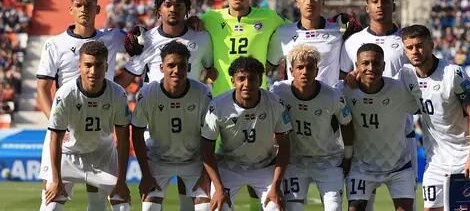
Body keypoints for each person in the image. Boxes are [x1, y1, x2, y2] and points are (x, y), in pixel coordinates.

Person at [36, 0, 126, 210]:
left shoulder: (114, 37)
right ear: (71, 10)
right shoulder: (55, 44)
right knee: (51, 203)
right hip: (67, 132)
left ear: (98, 9)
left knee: (97, 204)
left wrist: (194, 25)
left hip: (99, 134)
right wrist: (56, 123)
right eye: (78, 5)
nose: (84, 9)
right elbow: (42, 89)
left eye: (89, 5)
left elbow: (150, 41)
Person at [339, 0, 416, 211]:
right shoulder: (353, 41)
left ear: (394, 5)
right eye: (375, 1)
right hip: (364, 134)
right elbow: (344, 77)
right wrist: (351, 76)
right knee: (362, 203)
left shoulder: (407, 41)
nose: (380, 5)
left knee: (406, 201)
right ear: (367, 7)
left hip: (402, 131)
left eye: (385, 1)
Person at [399, 25, 470, 211]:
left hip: (466, 155)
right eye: (409, 47)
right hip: (436, 160)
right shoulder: (406, 76)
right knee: (431, 209)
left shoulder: (453, 74)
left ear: (431, 45)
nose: (415, 51)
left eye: (419, 45)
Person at [39, 41, 131, 211]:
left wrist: (122, 181)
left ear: (107, 66)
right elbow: (54, 139)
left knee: (122, 206)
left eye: (98, 65)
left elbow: (124, 140)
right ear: (79, 66)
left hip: (101, 154)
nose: (93, 71)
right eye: (88, 65)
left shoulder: (118, 94)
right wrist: (57, 181)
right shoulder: (65, 95)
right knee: (50, 207)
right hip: (68, 154)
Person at [200, 56, 292, 211]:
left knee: (276, 208)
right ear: (233, 81)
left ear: (260, 80)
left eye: (252, 79)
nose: (247, 84)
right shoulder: (218, 106)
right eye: (241, 78)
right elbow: (206, 149)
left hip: (264, 167)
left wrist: (276, 186)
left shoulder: (275, 103)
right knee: (218, 207)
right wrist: (218, 187)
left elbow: (285, 147)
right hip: (229, 167)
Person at [131, 41, 212, 211]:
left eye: (182, 65)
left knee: (205, 208)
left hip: (194, 161)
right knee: (149, 208)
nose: (177, 70)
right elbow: (137, 133)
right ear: (161, 67)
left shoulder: (203, 93)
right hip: (158, 161)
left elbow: (210, 135)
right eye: (171, 65)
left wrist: (205, 174)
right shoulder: (148, 93)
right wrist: (145, 175)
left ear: (188, 67)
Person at [271, 45, 353, 211]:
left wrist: (348, 155)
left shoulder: (333, 95)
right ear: (291, 70)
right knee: (293, 208)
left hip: (328, 160)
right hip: (294, 161)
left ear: (317, 70)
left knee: (333, 208)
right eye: (300, 67)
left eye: (310, 67)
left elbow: (347, 123)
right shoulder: (278, 91)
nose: (304, 72)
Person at [199, 0, 289, 95]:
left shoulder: (269, 17)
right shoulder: (210, 18)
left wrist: (272, 60)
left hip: (257, 95)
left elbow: (296, 30)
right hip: (221, 97)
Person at [117, 0, 214, 88]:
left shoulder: (202, 38)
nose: (173, 9)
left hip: (190, 103)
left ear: (187, 9)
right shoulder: (145, 40)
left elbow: (213, 71)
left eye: (178, 5)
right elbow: (123, 80)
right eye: (168, 5)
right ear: (159, 10)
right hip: (152, 103)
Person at [268, 0, 349, 87]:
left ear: (322, 2)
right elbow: (267, 67)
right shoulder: (282, 33)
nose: (309, 2)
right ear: (297, 3)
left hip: (329, 101)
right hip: (294, 101)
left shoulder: (339, 32)